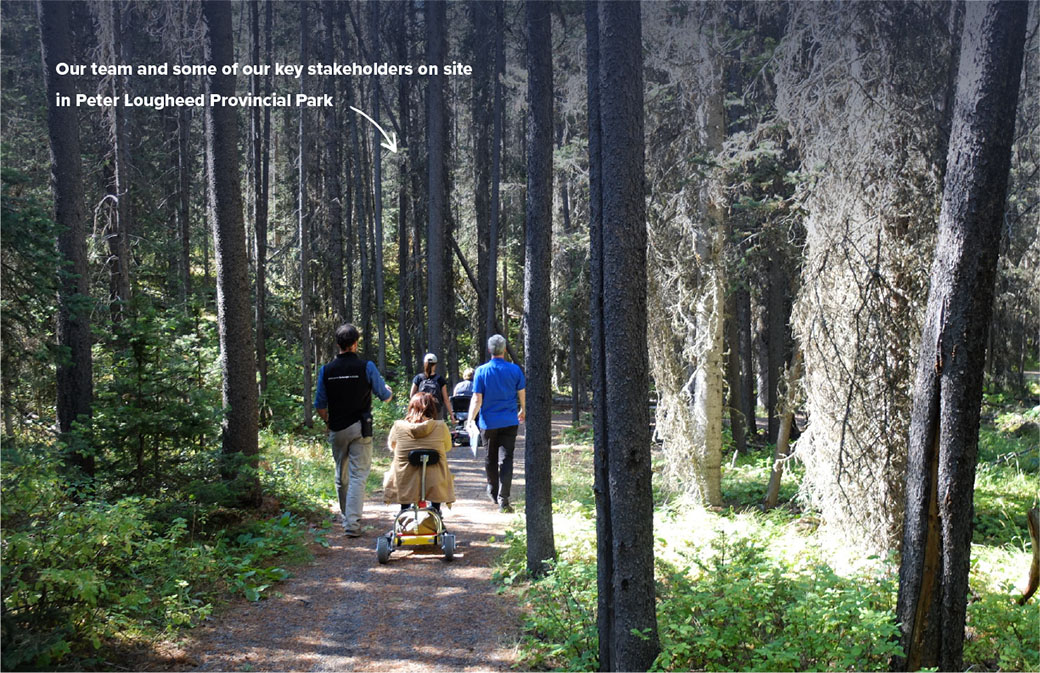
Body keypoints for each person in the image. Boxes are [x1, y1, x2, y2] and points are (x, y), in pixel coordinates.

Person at [314, 323, 393, 537]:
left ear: (338, 344)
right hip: (360, 428)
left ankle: (346, 516)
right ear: (355, 343)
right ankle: (352, 524)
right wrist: (389, 391)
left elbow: (319, 405)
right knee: (358, 475)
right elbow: (384, 396)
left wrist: (329, 422)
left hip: (337, 428)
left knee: (341, 474)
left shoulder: (326, 370)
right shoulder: (366, 366)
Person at [467, 334, 526, 513]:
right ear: (505, 350)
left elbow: (477, 399)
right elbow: (522, 392)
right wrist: (523, 409)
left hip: (488, 423)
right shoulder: (515, 370)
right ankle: (504, 500)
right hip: (509, 421)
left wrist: (470, 419)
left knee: (490, 458)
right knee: (506, 459)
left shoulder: (482, 371)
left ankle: (493, 490)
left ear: (489, 350)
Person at [383, 392, 456, 510]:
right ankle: (435, 511)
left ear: (411, 407)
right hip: (435, 482)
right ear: (432, 408)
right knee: (436, 472)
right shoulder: (441, 426)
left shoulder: (398, 426)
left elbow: (392, 447)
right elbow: (447, 447)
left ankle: (404, 510)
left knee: (401, 470)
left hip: (405, 480)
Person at [410, 353, 452, 420]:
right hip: (436, 411)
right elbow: (446, 399)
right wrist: (451, 415)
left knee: (422, 429)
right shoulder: (440, 379)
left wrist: (412, 411)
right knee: (436, 429)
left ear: (424, 363)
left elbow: (412, 396)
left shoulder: (419, 378)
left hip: (421, 410)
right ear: (435, 364)